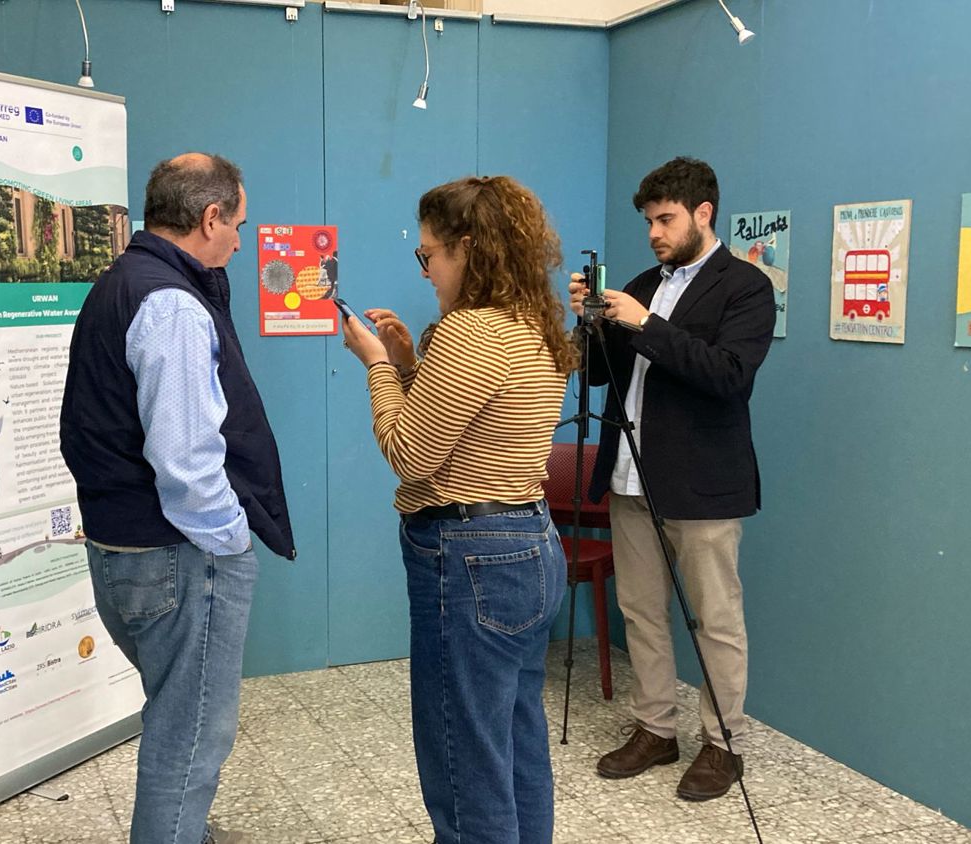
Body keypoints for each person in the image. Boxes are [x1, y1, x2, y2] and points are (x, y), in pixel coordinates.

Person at [60, 152, 294, 844]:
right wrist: (232, 541)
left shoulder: (121, 282)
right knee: (190, 737)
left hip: (119, 547)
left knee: (176, 718)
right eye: (239, 225)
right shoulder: (171, 305)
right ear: (210, 216)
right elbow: (186, 460)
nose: (241, 242)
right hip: (178, 556)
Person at [340, 175, 573, 843]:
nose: (426, 270)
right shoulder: (531, 321)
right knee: (515, 735)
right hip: (530, 545)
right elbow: (461, 430)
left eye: (429, 254)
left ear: (469, 249)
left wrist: (377, 364)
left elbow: (411, 453)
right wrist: (414, 365)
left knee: (464, 759)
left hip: (470, 558)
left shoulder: (472, 330)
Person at [568, 156, 775, 801]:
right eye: (649, 221)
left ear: (702, 213)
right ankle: (656, 728)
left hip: (703, 483)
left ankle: (723, 743)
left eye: (666, 219)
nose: (655, 232)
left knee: (715, 617)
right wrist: (592, 324)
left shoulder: (745, 286)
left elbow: (728, 375)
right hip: (630, 477)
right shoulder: (639, 283)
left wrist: (643, 322)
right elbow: (602, 376)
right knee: (641, 612)